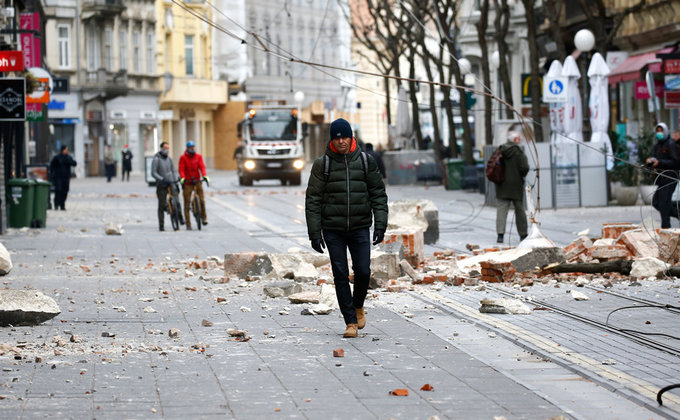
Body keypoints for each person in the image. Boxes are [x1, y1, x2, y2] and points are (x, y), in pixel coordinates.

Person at [305, 118, 388, 338]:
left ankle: (358, 304)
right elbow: (312, 199)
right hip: (333, 230)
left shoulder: (365, 161)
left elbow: (378, 194)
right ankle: (350, 321)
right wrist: (315, 233)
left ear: (351, 137)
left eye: (344, 136)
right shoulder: (323, 165)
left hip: (360, 227)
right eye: (337, 137)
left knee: (363, 271)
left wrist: (380, 224)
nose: (341, 141)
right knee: (340, 274)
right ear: (332, 139)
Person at [495, 131, 529, 243]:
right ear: (515, 140)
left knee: (501, 210)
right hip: (516, 185)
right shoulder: (518, 152)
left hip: (502, 184)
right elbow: (525, 167)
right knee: (520, 210)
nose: (519, 140)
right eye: (518, 138)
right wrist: (520, 175)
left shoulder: (500, 150)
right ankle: (523, 234)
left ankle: (500, 235)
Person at [647, 122, 680, 229]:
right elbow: (654, 158)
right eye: (658, 131)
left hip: (670, 178)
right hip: (660, 179)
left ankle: (666, 228)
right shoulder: (657, 146)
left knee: (664, 204)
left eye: (661, 131)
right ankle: (677, 213)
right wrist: (650, 162)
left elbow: (675, 162)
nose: (659, 133)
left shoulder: (670, 144)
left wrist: (660, 163)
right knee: (656, 202)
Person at [151, 142, 182, 231]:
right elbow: (153, 173)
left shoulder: (169, 159)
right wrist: (161, 179)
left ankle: (179, 217)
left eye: (168, 148)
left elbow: (173, 171)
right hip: (162, 183)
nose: (166, 150)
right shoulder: (156, 159)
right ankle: (161, 225)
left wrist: (176, 180)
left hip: (171, 182)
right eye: (165, 148)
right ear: (161, 148)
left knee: (176, 200)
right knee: (161, 205)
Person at [178, 140, 209, 230]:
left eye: (193, 147)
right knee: (187, 203)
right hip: (187, 182)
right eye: (190, 148)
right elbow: (181, 169)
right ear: (187, 148)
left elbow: (202, 166)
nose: (192, 149)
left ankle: (204, 218)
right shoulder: (183, 158)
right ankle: (188, 224)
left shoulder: (198, 157)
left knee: (202, 200)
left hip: (197, 180)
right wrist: (183, 177)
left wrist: (204, 175)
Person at [49, 145, 77, 210]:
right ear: (62, 150)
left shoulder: (68, 157)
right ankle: (56, 204)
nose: (66, 151)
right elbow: (52, 165)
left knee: (65, 191)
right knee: (58, 190)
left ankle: (62, 204)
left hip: (66, 177)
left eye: (67, 150)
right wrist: (53, 173)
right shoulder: (57, 157)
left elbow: (74, 164)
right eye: (65, 150)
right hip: (58, 177)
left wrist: (69, 161)